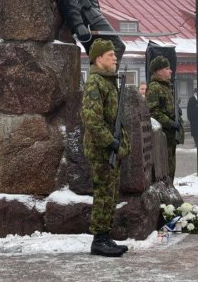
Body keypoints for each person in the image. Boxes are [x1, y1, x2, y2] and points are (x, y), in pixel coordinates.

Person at [81, 38, 131, 257]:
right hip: (102, 149)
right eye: (110, 55)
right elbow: (91, 119)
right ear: (98, 58)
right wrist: (109, 141)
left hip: (111, 149)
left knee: (110, 194)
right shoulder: (95, 82)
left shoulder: (108, 81)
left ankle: (105, 235)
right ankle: (98, 240)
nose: (115, 58)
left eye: (114, 55)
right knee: (103, 194)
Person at [146, 56, 184, 181]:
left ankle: (170, 188)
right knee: (164, 169)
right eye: (167, 68)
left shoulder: (166, 87)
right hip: (163, 136)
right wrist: (170, 123)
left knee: (171, 168)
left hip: (170, 136)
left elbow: (167, 108)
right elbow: (153, 112)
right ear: (158, 71)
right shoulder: (154, 87)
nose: (170, 71)